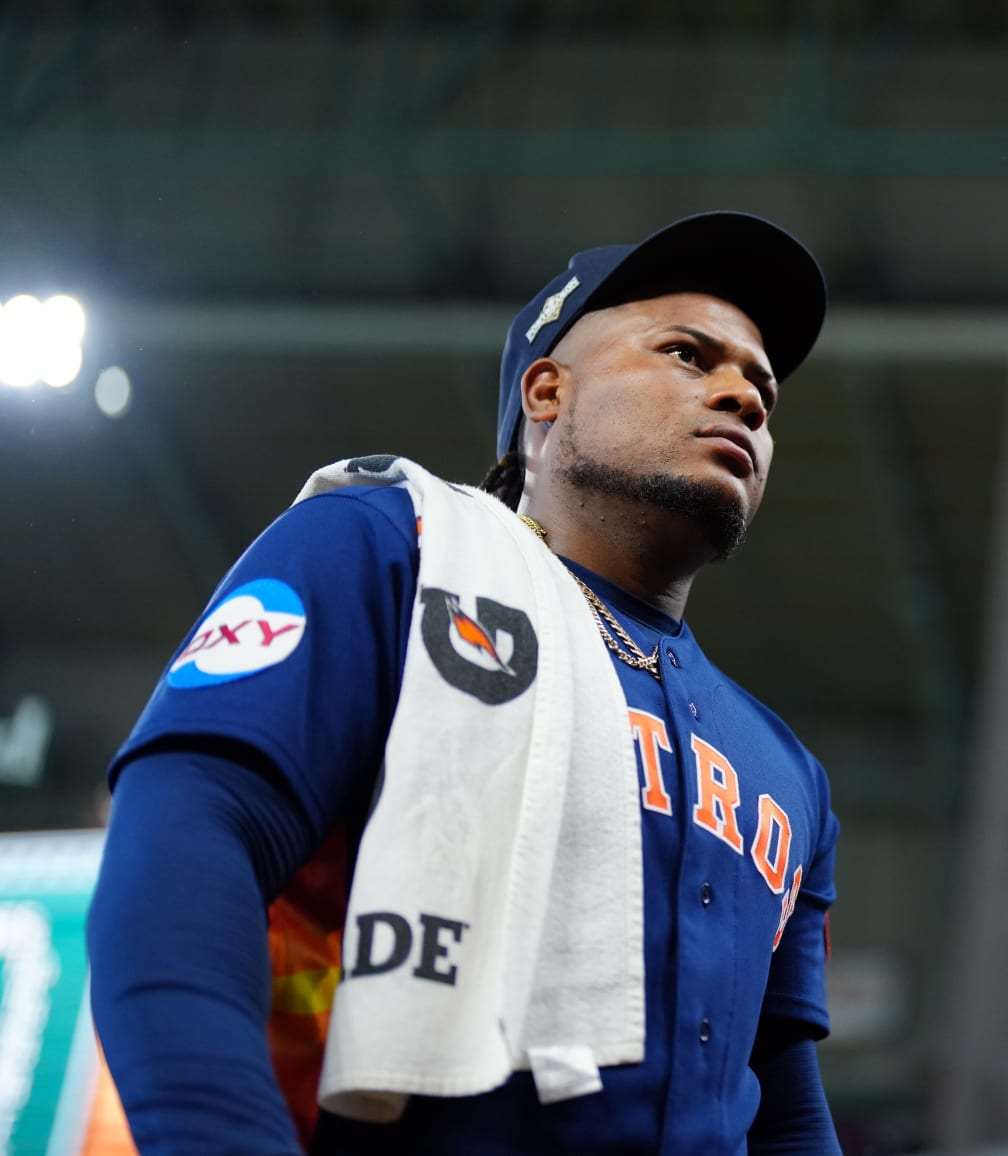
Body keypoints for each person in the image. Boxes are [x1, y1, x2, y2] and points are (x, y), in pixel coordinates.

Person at [88, 211, 842, 1155]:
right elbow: (188, 839)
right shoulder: (389, 550)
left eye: (762, 388)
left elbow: (781, 1093)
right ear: (547, 389)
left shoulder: (789, 771)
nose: (744, 396)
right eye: (690, 355)